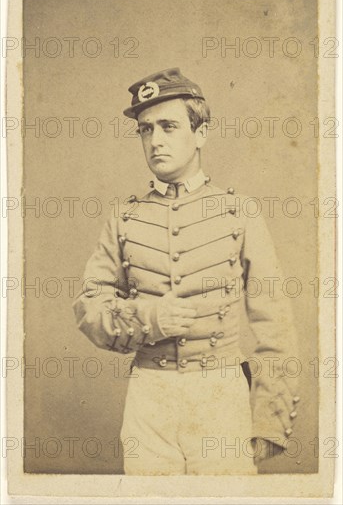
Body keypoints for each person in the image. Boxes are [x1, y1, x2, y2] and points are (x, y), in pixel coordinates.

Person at [73, 67, 299, 475]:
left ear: (201, 134)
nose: (155, 140)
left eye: (169, 126)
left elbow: (276, 325)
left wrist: (270, 419)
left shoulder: (239, 212)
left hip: (221, 399)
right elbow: (89, 308)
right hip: (148, 403)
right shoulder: (124, 218)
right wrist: (151, 319)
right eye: (145, 129)